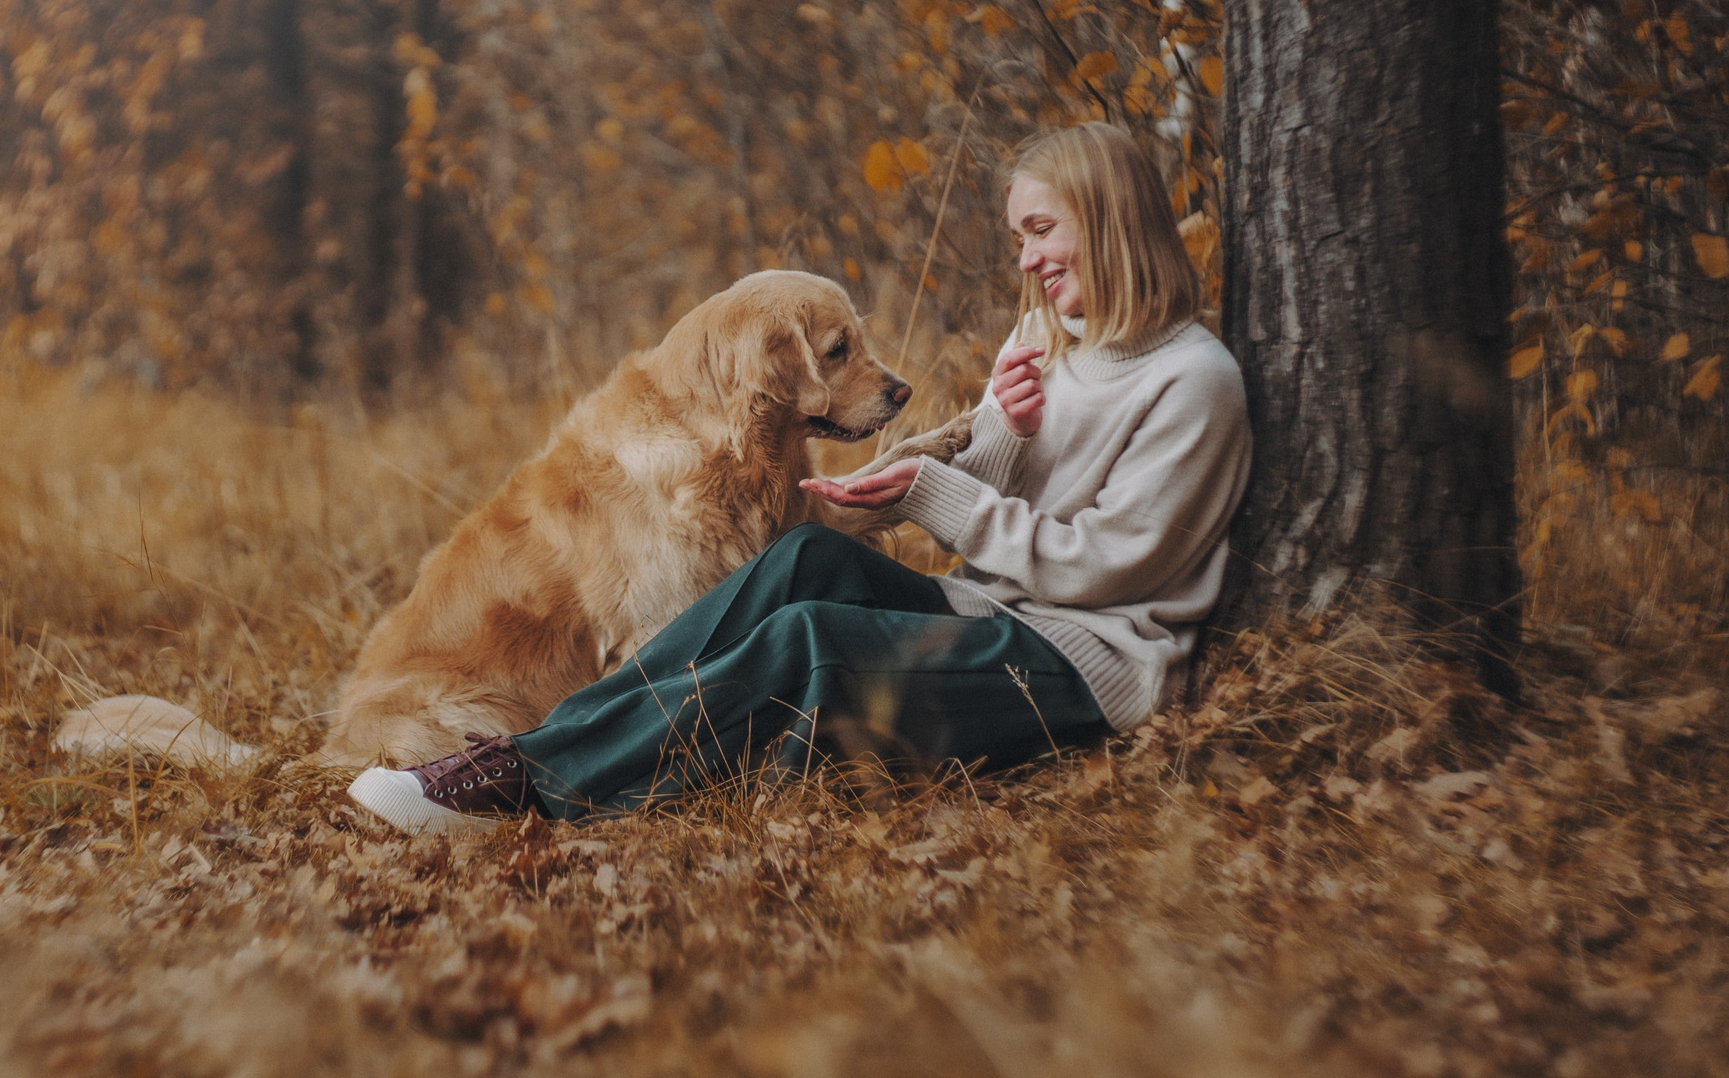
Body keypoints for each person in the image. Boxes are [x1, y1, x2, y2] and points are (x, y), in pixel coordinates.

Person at [348, 122, 1253, 832]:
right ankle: (534, 753)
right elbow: (989, 495)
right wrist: (1005, 435)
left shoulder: (1193, 383)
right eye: (1019, 235)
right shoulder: (1043, 339)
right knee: (794, 564)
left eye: (1042, 230)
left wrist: (935, 491)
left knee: (811, 639)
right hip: (994, 611)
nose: (1026, 260)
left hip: (1085, 663)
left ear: (1110, 220)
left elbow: (1110, 568)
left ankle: (526, 788)